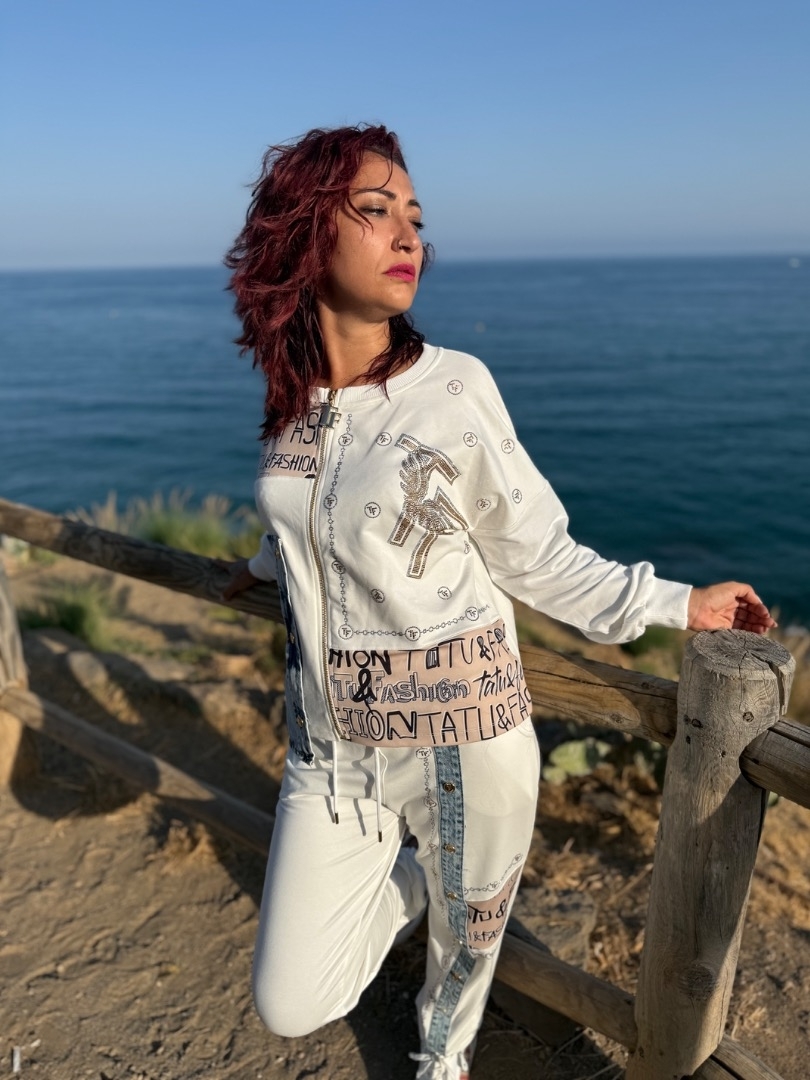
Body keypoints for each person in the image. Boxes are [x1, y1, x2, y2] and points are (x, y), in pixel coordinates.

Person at [220, 124, 775, 1080]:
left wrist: (678, 602)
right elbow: (311, 516)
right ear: (305, 232)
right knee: (291, 1000)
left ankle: (443, 1063)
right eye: (375, 210)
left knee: (463, 961)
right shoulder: (294, 400)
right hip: (330, 755)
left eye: (416, 217)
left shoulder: (452, 389)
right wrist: (266, 566)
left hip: (463, 740)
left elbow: (538, 555)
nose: (409, 235)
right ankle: (414, 880)